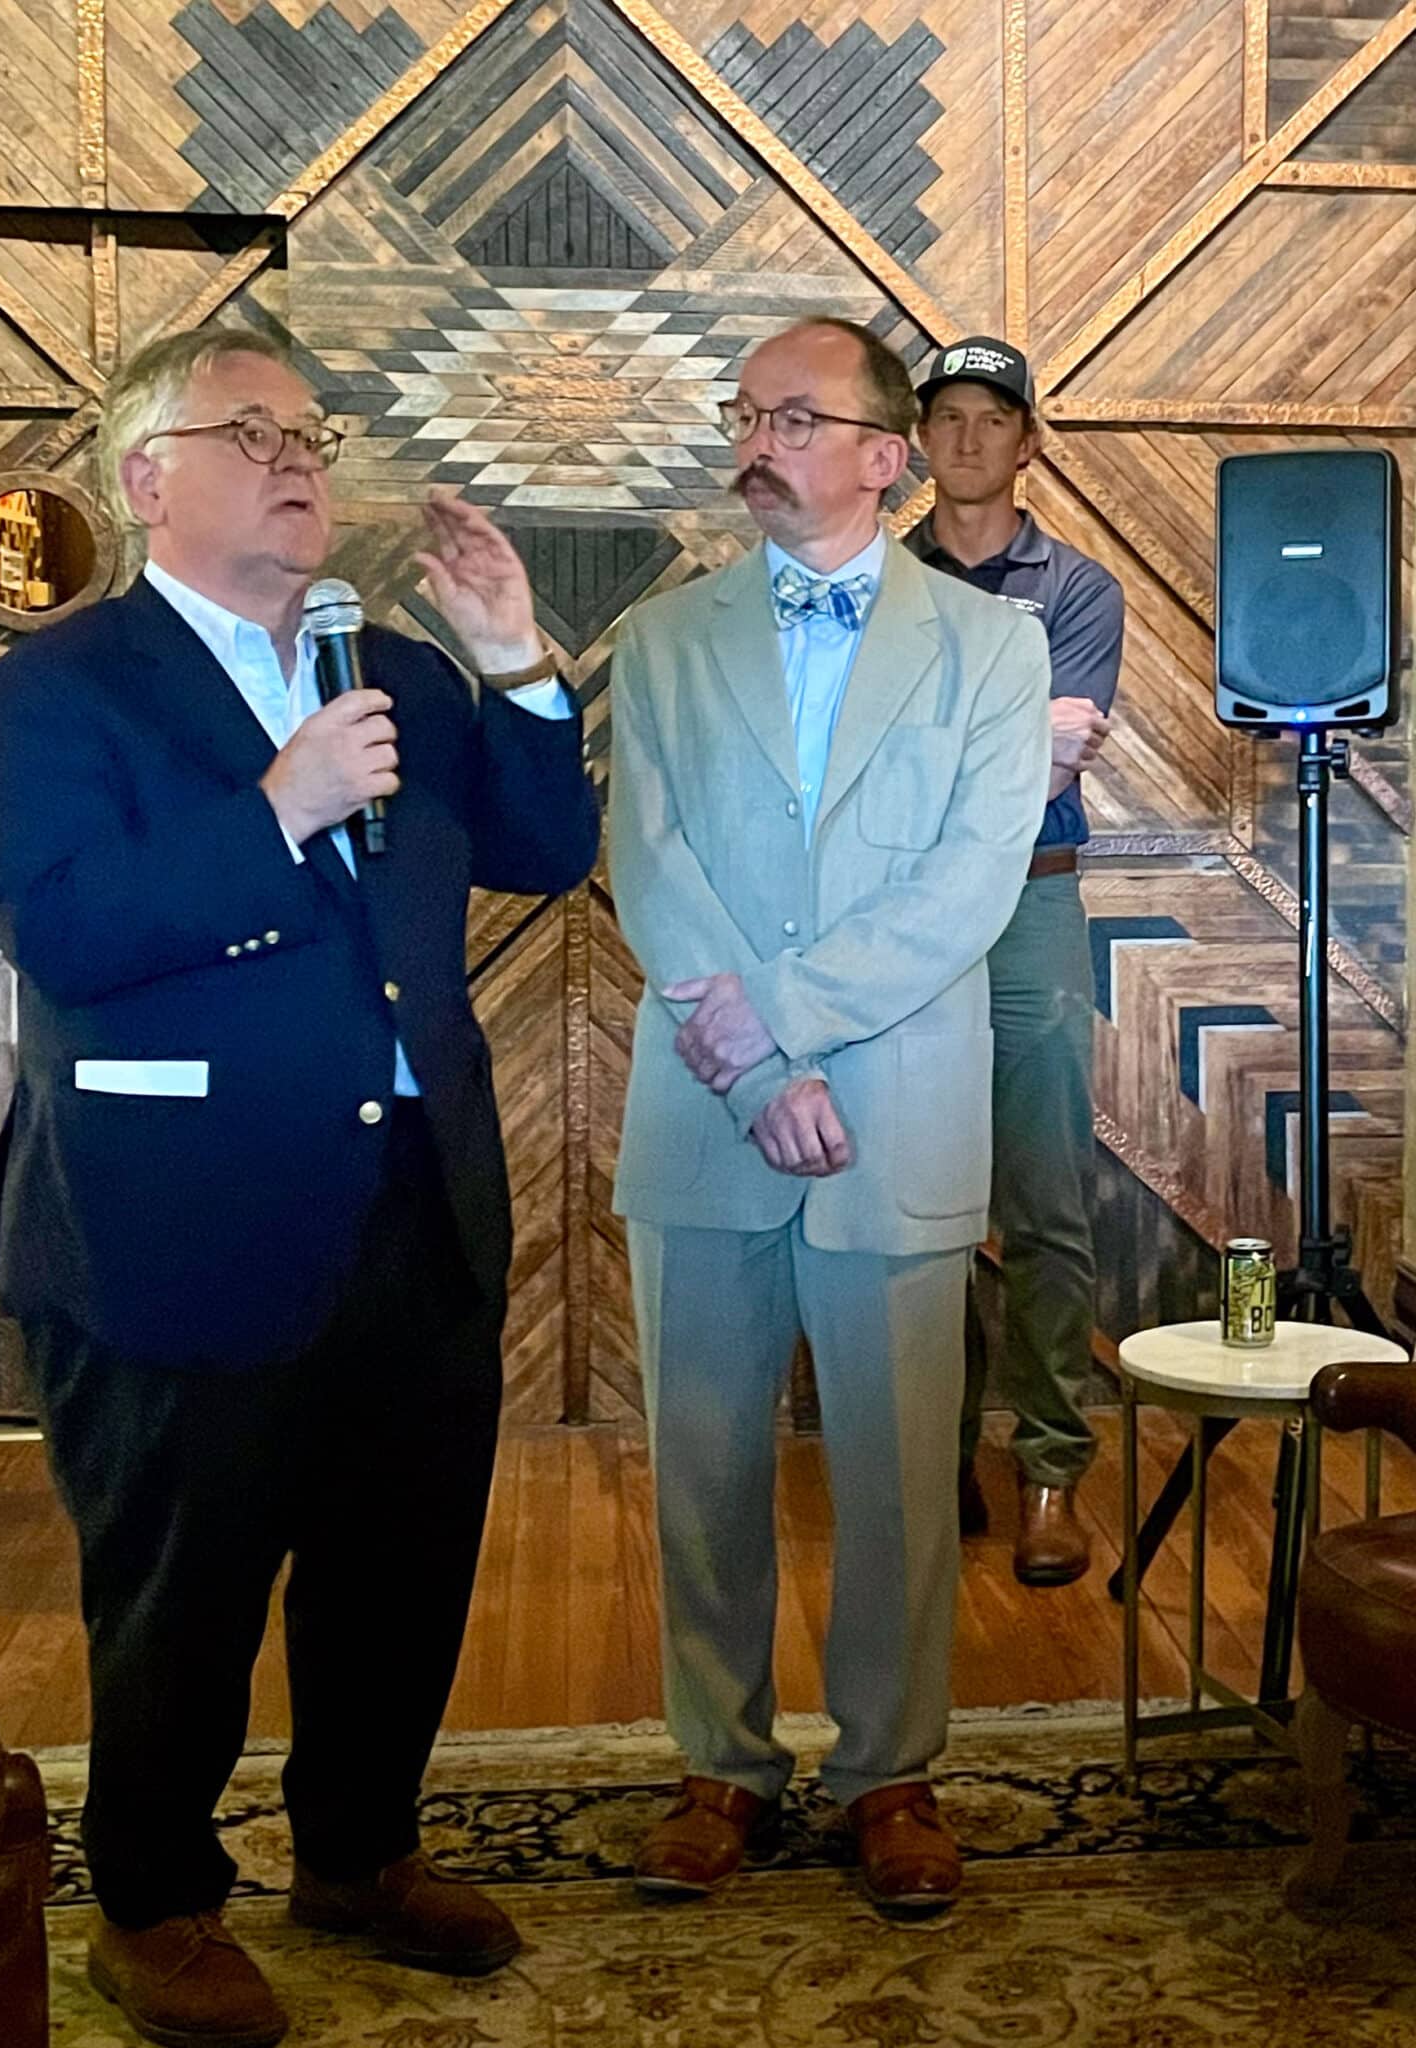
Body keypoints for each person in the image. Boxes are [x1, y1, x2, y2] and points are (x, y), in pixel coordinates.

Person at [0, 326, 598, 2048]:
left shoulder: (392, 669)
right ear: (144, 477)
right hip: (179, 1209)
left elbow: (548, 852)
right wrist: (274, 808)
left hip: (415, 1199)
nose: (299, 457)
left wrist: (512, 659)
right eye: (249, 432)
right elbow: (64, 930)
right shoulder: (57, 687)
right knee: (182, 1588)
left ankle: (358, 1853)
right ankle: (154, 1900)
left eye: (310, 431)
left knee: (400, 1569)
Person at [607, 317, 1050, 1917]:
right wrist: (750, 1070)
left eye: (792, 418)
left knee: (902, 1475)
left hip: (894, 1115)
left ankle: (890, 1773)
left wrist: (780, 1024)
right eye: (746, 415)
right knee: (703, 1466)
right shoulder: (662, 640)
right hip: (706, 1111)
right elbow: (650, 865)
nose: (756, 441)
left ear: (887, 453)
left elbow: (972, 885)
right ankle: (717, 1761)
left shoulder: (994, 649)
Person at [908, 336, 1125, 1587]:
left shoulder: (1079, 587)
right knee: (919, 1203)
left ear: (1029, 439)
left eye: (994, 416)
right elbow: (872, 768)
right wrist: (1007, 734)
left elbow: (1055, 765)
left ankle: (1051, 1466)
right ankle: (933, 1457)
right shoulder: (883, 579)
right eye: (949, 415)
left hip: (1032, 900)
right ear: (919, 440)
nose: (970, 436)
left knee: (1045, 1200)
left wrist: (946, 745)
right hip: (909, 912)